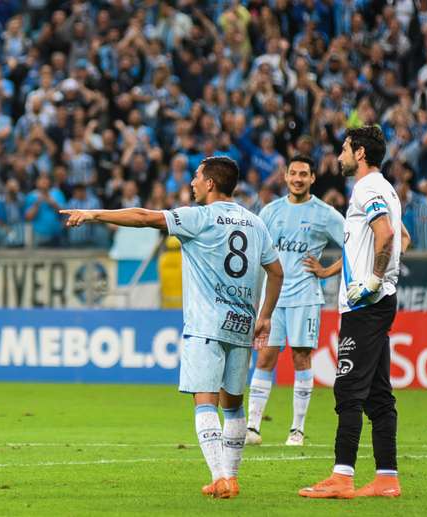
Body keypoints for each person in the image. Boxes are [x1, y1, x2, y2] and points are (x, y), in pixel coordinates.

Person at [61, 156, 284, 499]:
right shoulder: (255, 223)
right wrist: (265, 315)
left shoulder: (199, 217)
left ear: (210, 183)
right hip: (242, 324)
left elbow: (144, 217)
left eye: (196, 177)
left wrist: (94, 214)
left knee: (205, 401)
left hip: (206, 324)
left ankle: (221, 477)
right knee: (234, 404)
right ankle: (232, 476)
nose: (192, 183)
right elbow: (276, 271)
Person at [299, 126, 409, 499]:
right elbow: (401, 237)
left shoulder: (367, 188)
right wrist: (371, 273)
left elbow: (387, 235)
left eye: (344, 149)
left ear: (360, 153)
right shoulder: (386, 190)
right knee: (378, 394)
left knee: (348, 388)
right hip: (374, 301)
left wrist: (375, 279)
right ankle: (386, 477)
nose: (340, 155)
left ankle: (342, 477)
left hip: (366, 305)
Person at [245, 155, 345, 447]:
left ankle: (296, 430)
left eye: (304, 174)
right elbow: (255, 253)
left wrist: (326, 271)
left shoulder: (325, 214)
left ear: (313, 178)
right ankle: (252, 427)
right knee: (265, 356)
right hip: (273, 299)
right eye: (293, 173)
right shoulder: (270, 211)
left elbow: (354, 245)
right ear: (285, 176)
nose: (298, 178)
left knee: (301, 357)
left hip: (304, 297)